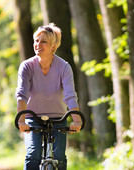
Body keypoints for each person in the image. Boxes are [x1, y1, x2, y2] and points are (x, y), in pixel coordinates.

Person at [15, 23, 83, 170]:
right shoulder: (27, 66)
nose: (38, 44)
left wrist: (77, 121)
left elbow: (70, 96)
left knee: (59, 158)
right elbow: (22, 95)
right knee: (33, 154)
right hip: (33, 118)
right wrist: (21, 120)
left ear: (53, 46)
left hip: (59, 119)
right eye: (36, 41)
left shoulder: (64, 67)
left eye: (43, 42)